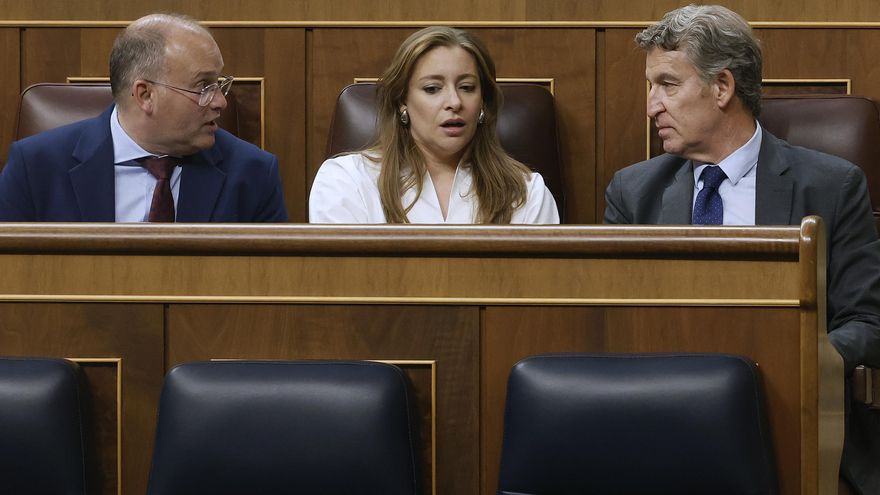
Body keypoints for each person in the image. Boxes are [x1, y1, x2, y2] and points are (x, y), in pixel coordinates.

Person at [604, 5, 880, 493]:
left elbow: (867, 323)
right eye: (651, 86)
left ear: (722, 87)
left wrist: (786, 363)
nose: (651, 106)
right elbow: (615, 326)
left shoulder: (832, 186)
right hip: (662, 418)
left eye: (667, 84)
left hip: (789, 418)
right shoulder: (633, 193)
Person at [0, 13, 287, 222]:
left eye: (219, 84)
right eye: (203, 87)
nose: (220, 101)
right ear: (145, 94)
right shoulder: (37, 167)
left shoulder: (253, 174)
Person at [309, 26, 559, 224]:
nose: (454, 102)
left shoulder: (525, 191)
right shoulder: (347, 180)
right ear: (401, 101)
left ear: (483, 102)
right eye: (432, 89)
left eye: (467, 88)